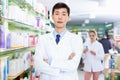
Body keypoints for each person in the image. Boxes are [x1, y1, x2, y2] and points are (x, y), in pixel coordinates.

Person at [34, 2, 83, 80]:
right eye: (57, 14)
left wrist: (50, 61)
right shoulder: (42, 39)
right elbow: (38, 64)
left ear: (68, 18)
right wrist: (63, 66)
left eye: (63, 14)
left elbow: (73, 66)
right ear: (52, 17)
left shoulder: (76, 39)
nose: (60, 17)